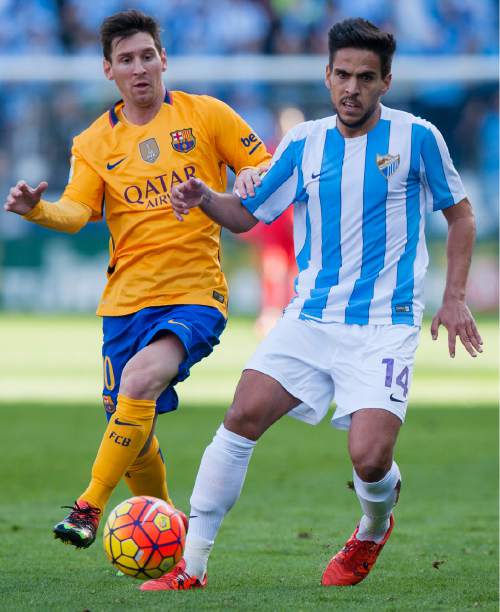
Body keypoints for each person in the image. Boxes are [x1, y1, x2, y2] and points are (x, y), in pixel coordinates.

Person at [140, 17, 483, 591]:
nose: (352, 88)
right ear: (327, 76)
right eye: (342, 75)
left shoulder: (417, 138)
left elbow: (462, 216)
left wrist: (454, 299)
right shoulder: (303, 142)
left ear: (386, 81)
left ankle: (373, 526)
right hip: (310, 317)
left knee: (369, 458)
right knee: (241, 416)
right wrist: (204, 198)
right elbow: (246, 216)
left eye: (365, 78)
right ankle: (191, 566)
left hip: (384, 323)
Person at [3, 9, 271, 549]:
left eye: (148, 56)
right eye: (126, 59)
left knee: (139, 381)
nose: (139, 67)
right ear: (109, 69)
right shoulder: (92, 142)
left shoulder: (207, 115)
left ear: (163, 59)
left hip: (195, 293)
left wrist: (250, 174)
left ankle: (88, 506)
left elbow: (264, 162)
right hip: (124, 302)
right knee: (132, 428)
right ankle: (171, 535)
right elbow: (77, 211)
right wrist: (38, 210)